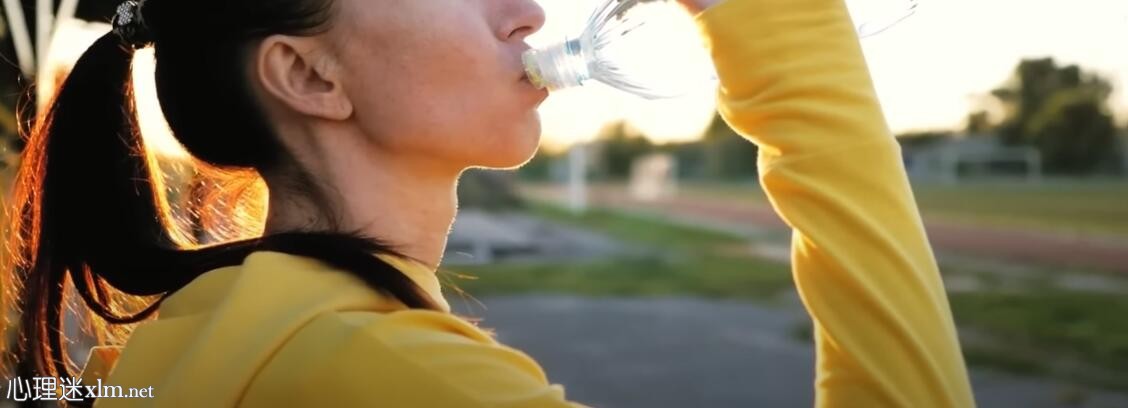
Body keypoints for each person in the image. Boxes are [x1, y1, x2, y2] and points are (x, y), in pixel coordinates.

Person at [0, 0, 976, 406]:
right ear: (306, 73)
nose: (530, 10)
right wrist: (791, 45)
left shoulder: (208, 342)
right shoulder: (394, 375)